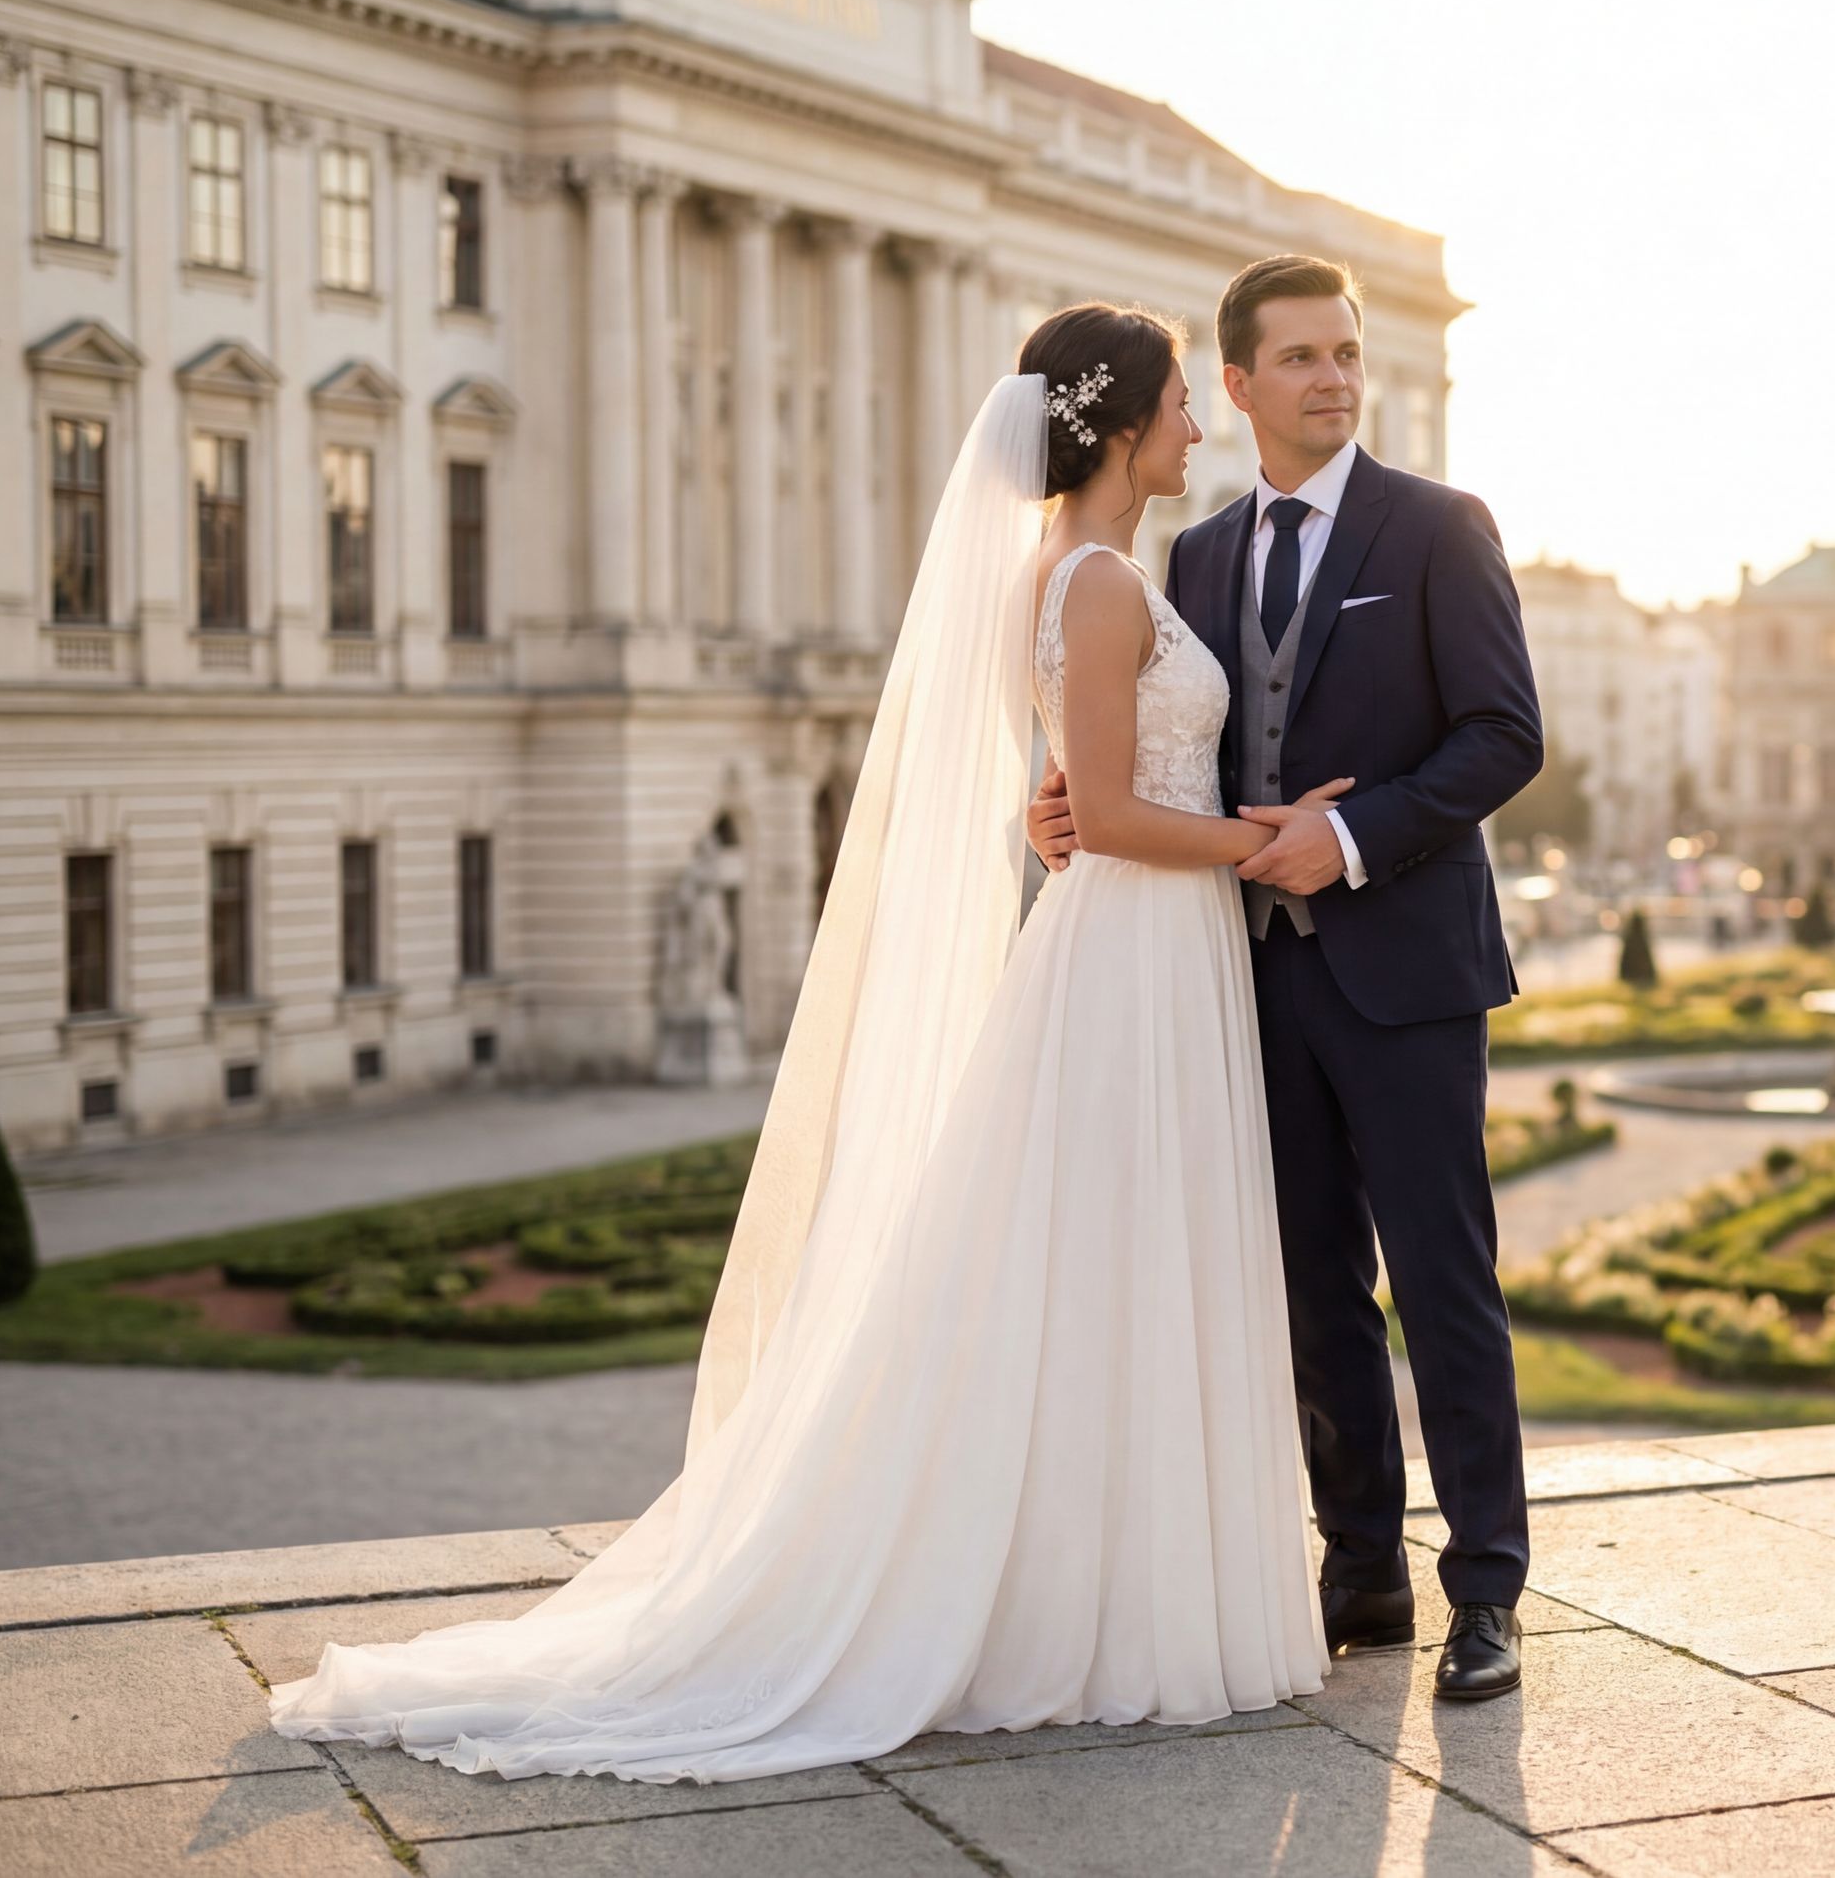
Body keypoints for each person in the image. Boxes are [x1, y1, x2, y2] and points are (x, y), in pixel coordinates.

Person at [265, 303, 1343, 1782]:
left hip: (1154, 943)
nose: (1196, 429)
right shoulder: (1095, 584)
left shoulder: (1085, 575)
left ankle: (1115, 1590)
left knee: (1116, 1261)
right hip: (1138, 946)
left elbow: (1072, 802)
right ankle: (1100, 1603)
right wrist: (1268, 836)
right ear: (1118, 422)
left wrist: (1158, 822)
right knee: (1115, 1256)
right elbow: (1110, 810)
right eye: (1176, 404)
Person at [1030, 254, 1544, 1700]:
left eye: (1347, 352)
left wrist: (1352, 837)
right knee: (1312, 1286)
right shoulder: (1192, 556)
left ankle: (1486, 1592)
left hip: (1407, 968)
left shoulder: (1442, 527)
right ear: (1238, 383)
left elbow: (1505, 737)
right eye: (1299, 357)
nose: (1332, 377)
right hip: (1245, 976)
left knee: (1446, 1281)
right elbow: (1140, 741)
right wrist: (1057, 802)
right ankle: (1363, 1570)